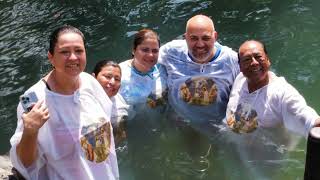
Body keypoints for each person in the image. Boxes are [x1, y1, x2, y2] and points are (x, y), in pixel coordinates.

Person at [9, 25, 119, 180]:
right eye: (64, 52)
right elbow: (26, 163)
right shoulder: (33, 99)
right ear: (51, 57)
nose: (73, 57)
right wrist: (30, 131)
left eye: (79, 51)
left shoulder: (90, 82)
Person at [223, 39, 320, 178]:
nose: (254, 62)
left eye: (258, 57)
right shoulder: (241, 78)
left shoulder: (282, 93)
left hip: (264, 159)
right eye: (247, 60)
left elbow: (306, 116)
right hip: (235, 146)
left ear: (268, 60)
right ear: (240, 66)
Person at [158, 14, 239, 135]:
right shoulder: (171, 51)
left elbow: (251, 82)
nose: (200, 44)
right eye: (194, 38)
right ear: (185, 38)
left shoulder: (231, 60)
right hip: (180, 119)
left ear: (215, 36)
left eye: (205, 38)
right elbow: (146, 63)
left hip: (216, 124)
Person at [119, 28, 168, 122]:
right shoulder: (119, 75)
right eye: (145, 50)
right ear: (133, 50)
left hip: (161, 119)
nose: (150, 55)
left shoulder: (163, 68)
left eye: (155, 51)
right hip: (136, 124)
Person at [92, 60, 130, 145]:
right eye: (108, 76)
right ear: (93, 77)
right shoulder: (80, 93)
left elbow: (120, 137)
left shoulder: (119, 111)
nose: (112, 82)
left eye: (117, 79)